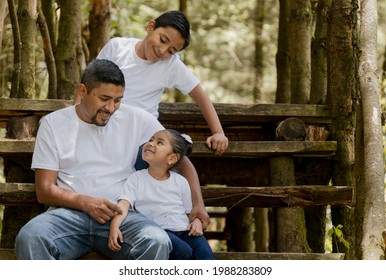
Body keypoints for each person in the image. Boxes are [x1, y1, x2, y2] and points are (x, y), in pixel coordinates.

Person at [14, 59, 207, 260]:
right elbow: (44, 191)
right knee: (30, 236)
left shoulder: (136, 118)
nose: (111, 107)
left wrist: (198, 205)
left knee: (156, 240)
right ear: (83, 91)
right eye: (104, 98)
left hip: (121, 216)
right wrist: (85, 202)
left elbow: (180, 159)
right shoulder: (54, 123)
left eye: (118, 100)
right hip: (67, 215)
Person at [75, 10, 228, 155]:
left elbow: (201, 97)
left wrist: (218, 133)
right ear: (151, 27)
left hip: (143, 136)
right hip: (105, 127)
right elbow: (88, 83)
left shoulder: (171, 65)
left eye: (171, 51)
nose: (162, 51)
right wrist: (75, 121)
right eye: (163, 40)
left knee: (179, 160)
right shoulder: (118, 48)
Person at [108, 129, 214, 260]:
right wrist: (114, 226)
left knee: (205, 253)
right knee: (183, 251)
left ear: (172, 158)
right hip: (161, 231)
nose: (150, 143)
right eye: (151, 140)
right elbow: (123, 205)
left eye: (159, 142)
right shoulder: (136, 179)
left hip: (186, 230)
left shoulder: (180, 181)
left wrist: (197, 222)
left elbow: (189, 213)